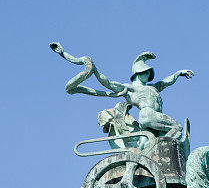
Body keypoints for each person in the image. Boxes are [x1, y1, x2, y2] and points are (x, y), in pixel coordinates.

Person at [50, 42, 193, 138]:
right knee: (177, 128)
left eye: (149, 73)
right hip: (148, 114)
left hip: (151, 120)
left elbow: (166, 82)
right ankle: (164, 143)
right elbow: (108, 83)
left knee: (145, 145)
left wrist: (178, 73)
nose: (148, 75)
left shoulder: (153, 87)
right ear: (138, 73)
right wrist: (94, 69)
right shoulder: (130, 88)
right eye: (146, 72)